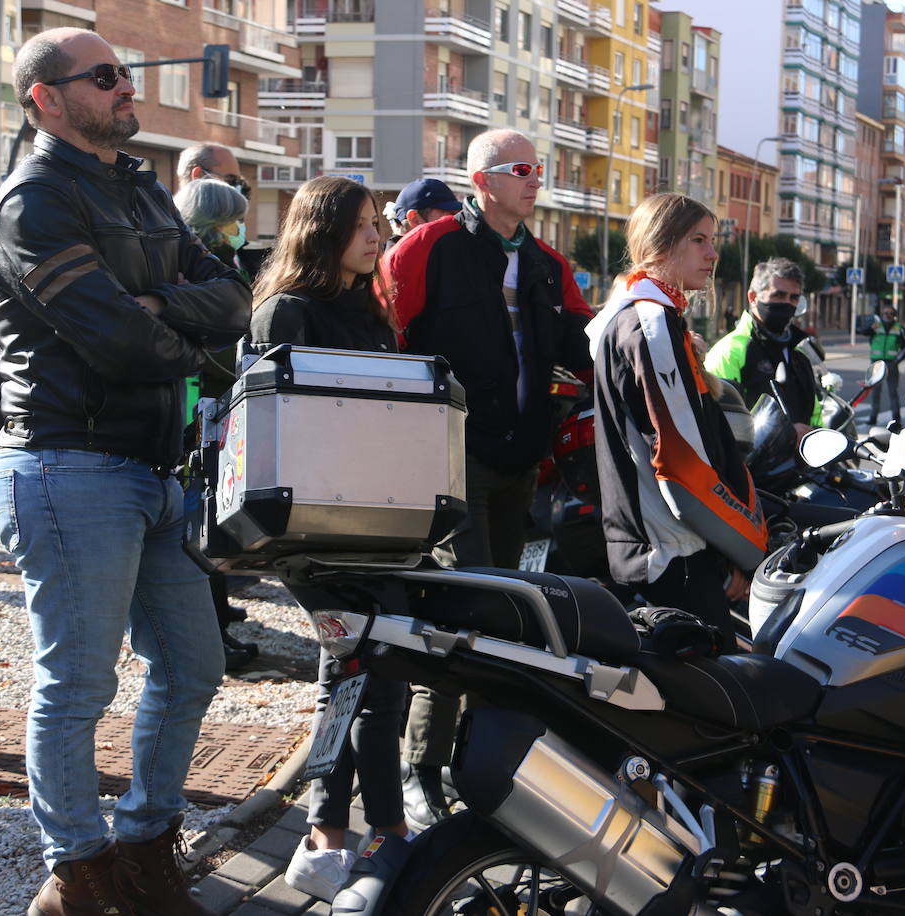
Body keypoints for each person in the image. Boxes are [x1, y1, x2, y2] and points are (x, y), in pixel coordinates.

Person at [0, 28, 250, 916]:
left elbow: (235, 299)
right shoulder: (33, 200)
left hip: (153, 467)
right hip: (66, 464)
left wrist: (163, 303)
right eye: (105, 77)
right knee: (80, 683)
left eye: (125, 73)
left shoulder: (140, 189)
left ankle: (143, 850)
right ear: (46, 99)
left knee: (193, 666)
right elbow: (118, 340)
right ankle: (79, 875)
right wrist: (177, 330)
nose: (126, 87)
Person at [380, 128, 593, 827]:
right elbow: (387, 334)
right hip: (452, 454)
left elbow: (583, 348)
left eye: (540, 169)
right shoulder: (429, 246)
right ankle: (422, 769)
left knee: (506, 614)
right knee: (463, 607)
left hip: (519, 460)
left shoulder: (546, 262)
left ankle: (482, 763)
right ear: (482, 180)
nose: (536, 180)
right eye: (522, 169)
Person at [250, 175, 412, 901]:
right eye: (365, 225)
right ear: (324, 231)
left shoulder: (364, 308)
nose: (379, 237)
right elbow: (278, 426)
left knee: (355, 677)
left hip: (372, 520)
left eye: (379, 223)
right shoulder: (288, 311)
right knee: (369, 675)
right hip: (314, 529)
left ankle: (330, 839)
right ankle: (384, 836)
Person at [588, 193, 766, 652]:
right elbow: (684, 461)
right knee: (724, 706)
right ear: (659, 247)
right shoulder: (651, 323)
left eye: (714, 240)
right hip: (675, 550)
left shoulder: (645, 317)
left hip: (664, 546)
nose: (713, 254)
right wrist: (740, 550)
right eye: (699, 240)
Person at [173, 177, 259, 671]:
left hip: (207, 411)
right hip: (196, 414)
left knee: (210, 523)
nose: (240, 229)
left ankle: (218, 622)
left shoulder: (214, 269)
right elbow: (219, 351)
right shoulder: (202, 275)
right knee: (199, 526)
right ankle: (211, 636)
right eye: (233, 221)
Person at [704, 257, 822, 436]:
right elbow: (721, 423)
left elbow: (815, 416)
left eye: (794, 298)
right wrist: (787, 434)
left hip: (804, 462)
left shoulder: (799, 353)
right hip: (751, 463)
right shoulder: (729, 352)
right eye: (778, 295)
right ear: (753, 297)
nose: (787, 303)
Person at [177, 143, 267, 278]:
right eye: (231, 179)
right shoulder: (172, 245)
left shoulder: (236, 248)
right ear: (200, 175)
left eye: (239, 181)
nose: (237, 187)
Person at [382, 177, 461, 252]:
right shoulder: (393, 263)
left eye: (458, 214)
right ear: (415, 219)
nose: (458, 220)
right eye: (449, 216)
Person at [864, 305, 905, 428]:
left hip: (891, 363)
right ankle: (873, 417)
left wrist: (897, 360)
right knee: (875, 391)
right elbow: (863, 332)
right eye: (885, 313)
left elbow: (904, 347)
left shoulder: (899, 328)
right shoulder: (876, 326)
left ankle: (896, 418)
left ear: (894, 315)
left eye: (890, 313)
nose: (887, 315)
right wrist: (871, 327)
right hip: (876, 363)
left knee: (893, 392)